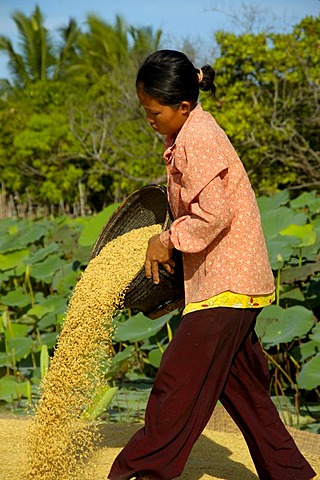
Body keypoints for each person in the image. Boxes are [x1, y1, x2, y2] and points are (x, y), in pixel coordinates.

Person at [108, 50, 316, 480]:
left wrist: (164, 240)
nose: (149, 119)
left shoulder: (198, 138)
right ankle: (290, 472)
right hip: (221, 279)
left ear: (183, 106)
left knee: (175, 385)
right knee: (241, 390)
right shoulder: (187, 134)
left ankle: (137, 473)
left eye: (154, 112)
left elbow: (213, 214)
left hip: (229, 282)